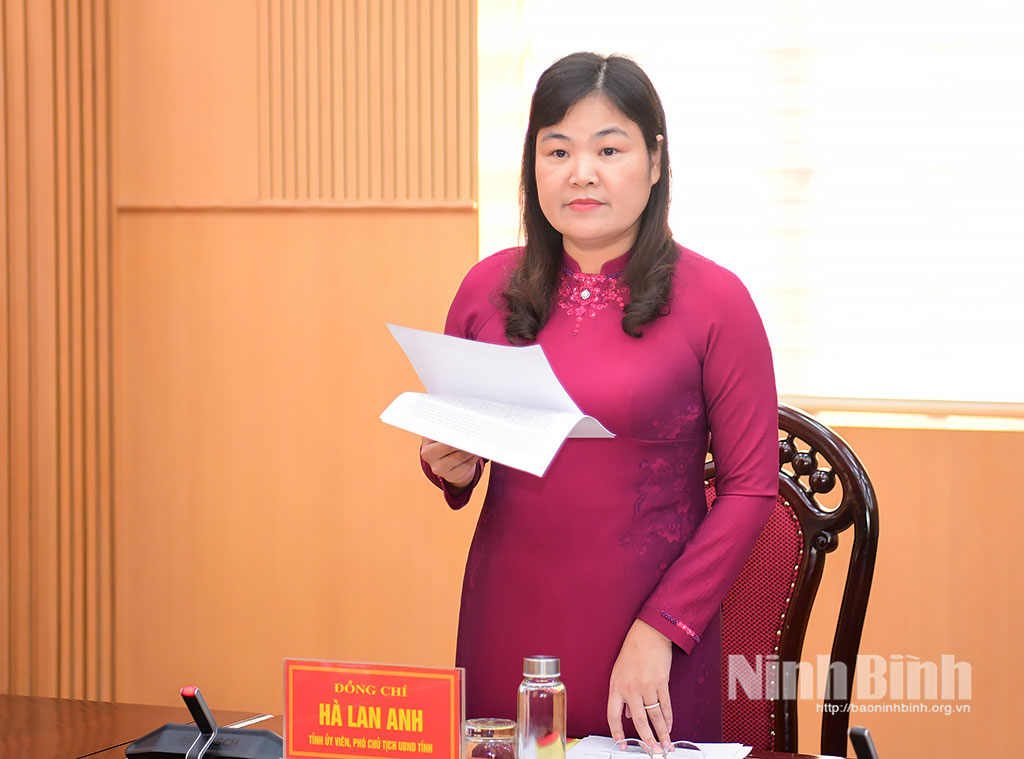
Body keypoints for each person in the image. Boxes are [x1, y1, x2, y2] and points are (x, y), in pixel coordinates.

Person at [419, 52, 777, 749]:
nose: (581, 172)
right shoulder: (485, 291)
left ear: (655, 160)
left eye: (609, 149)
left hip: (651, 637)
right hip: (506, 620)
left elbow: (750, 489)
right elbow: (458, 462)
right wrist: (448, 465)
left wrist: (664, 627)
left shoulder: (717, 301)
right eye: (557, 150)